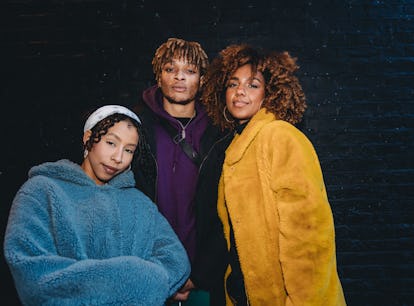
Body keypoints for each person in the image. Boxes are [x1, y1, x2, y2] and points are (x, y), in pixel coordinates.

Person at [201, 44, 347, 305]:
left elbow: (309, 237)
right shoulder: (234, 146)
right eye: (233, 84)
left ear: (271, 93)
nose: (240, 92)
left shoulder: (281, 137)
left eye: (253, 85)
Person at [3, 105, 190, 305]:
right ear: (87, 138)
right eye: (111, 143)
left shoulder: (140, 204)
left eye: (128, 150)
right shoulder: (41, 191)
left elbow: (176, 260)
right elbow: (32, 270)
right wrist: (137, 278)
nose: (118, 158)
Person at [133, 38, 227, 304]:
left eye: (190, 70)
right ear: (158, 75)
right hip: (149, 272)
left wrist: (199, 275)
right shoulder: (136, 127)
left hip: (203, 275)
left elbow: (228, 209)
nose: (179, 77)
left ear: (202, 79)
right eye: (170, 69)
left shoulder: (219, 130)